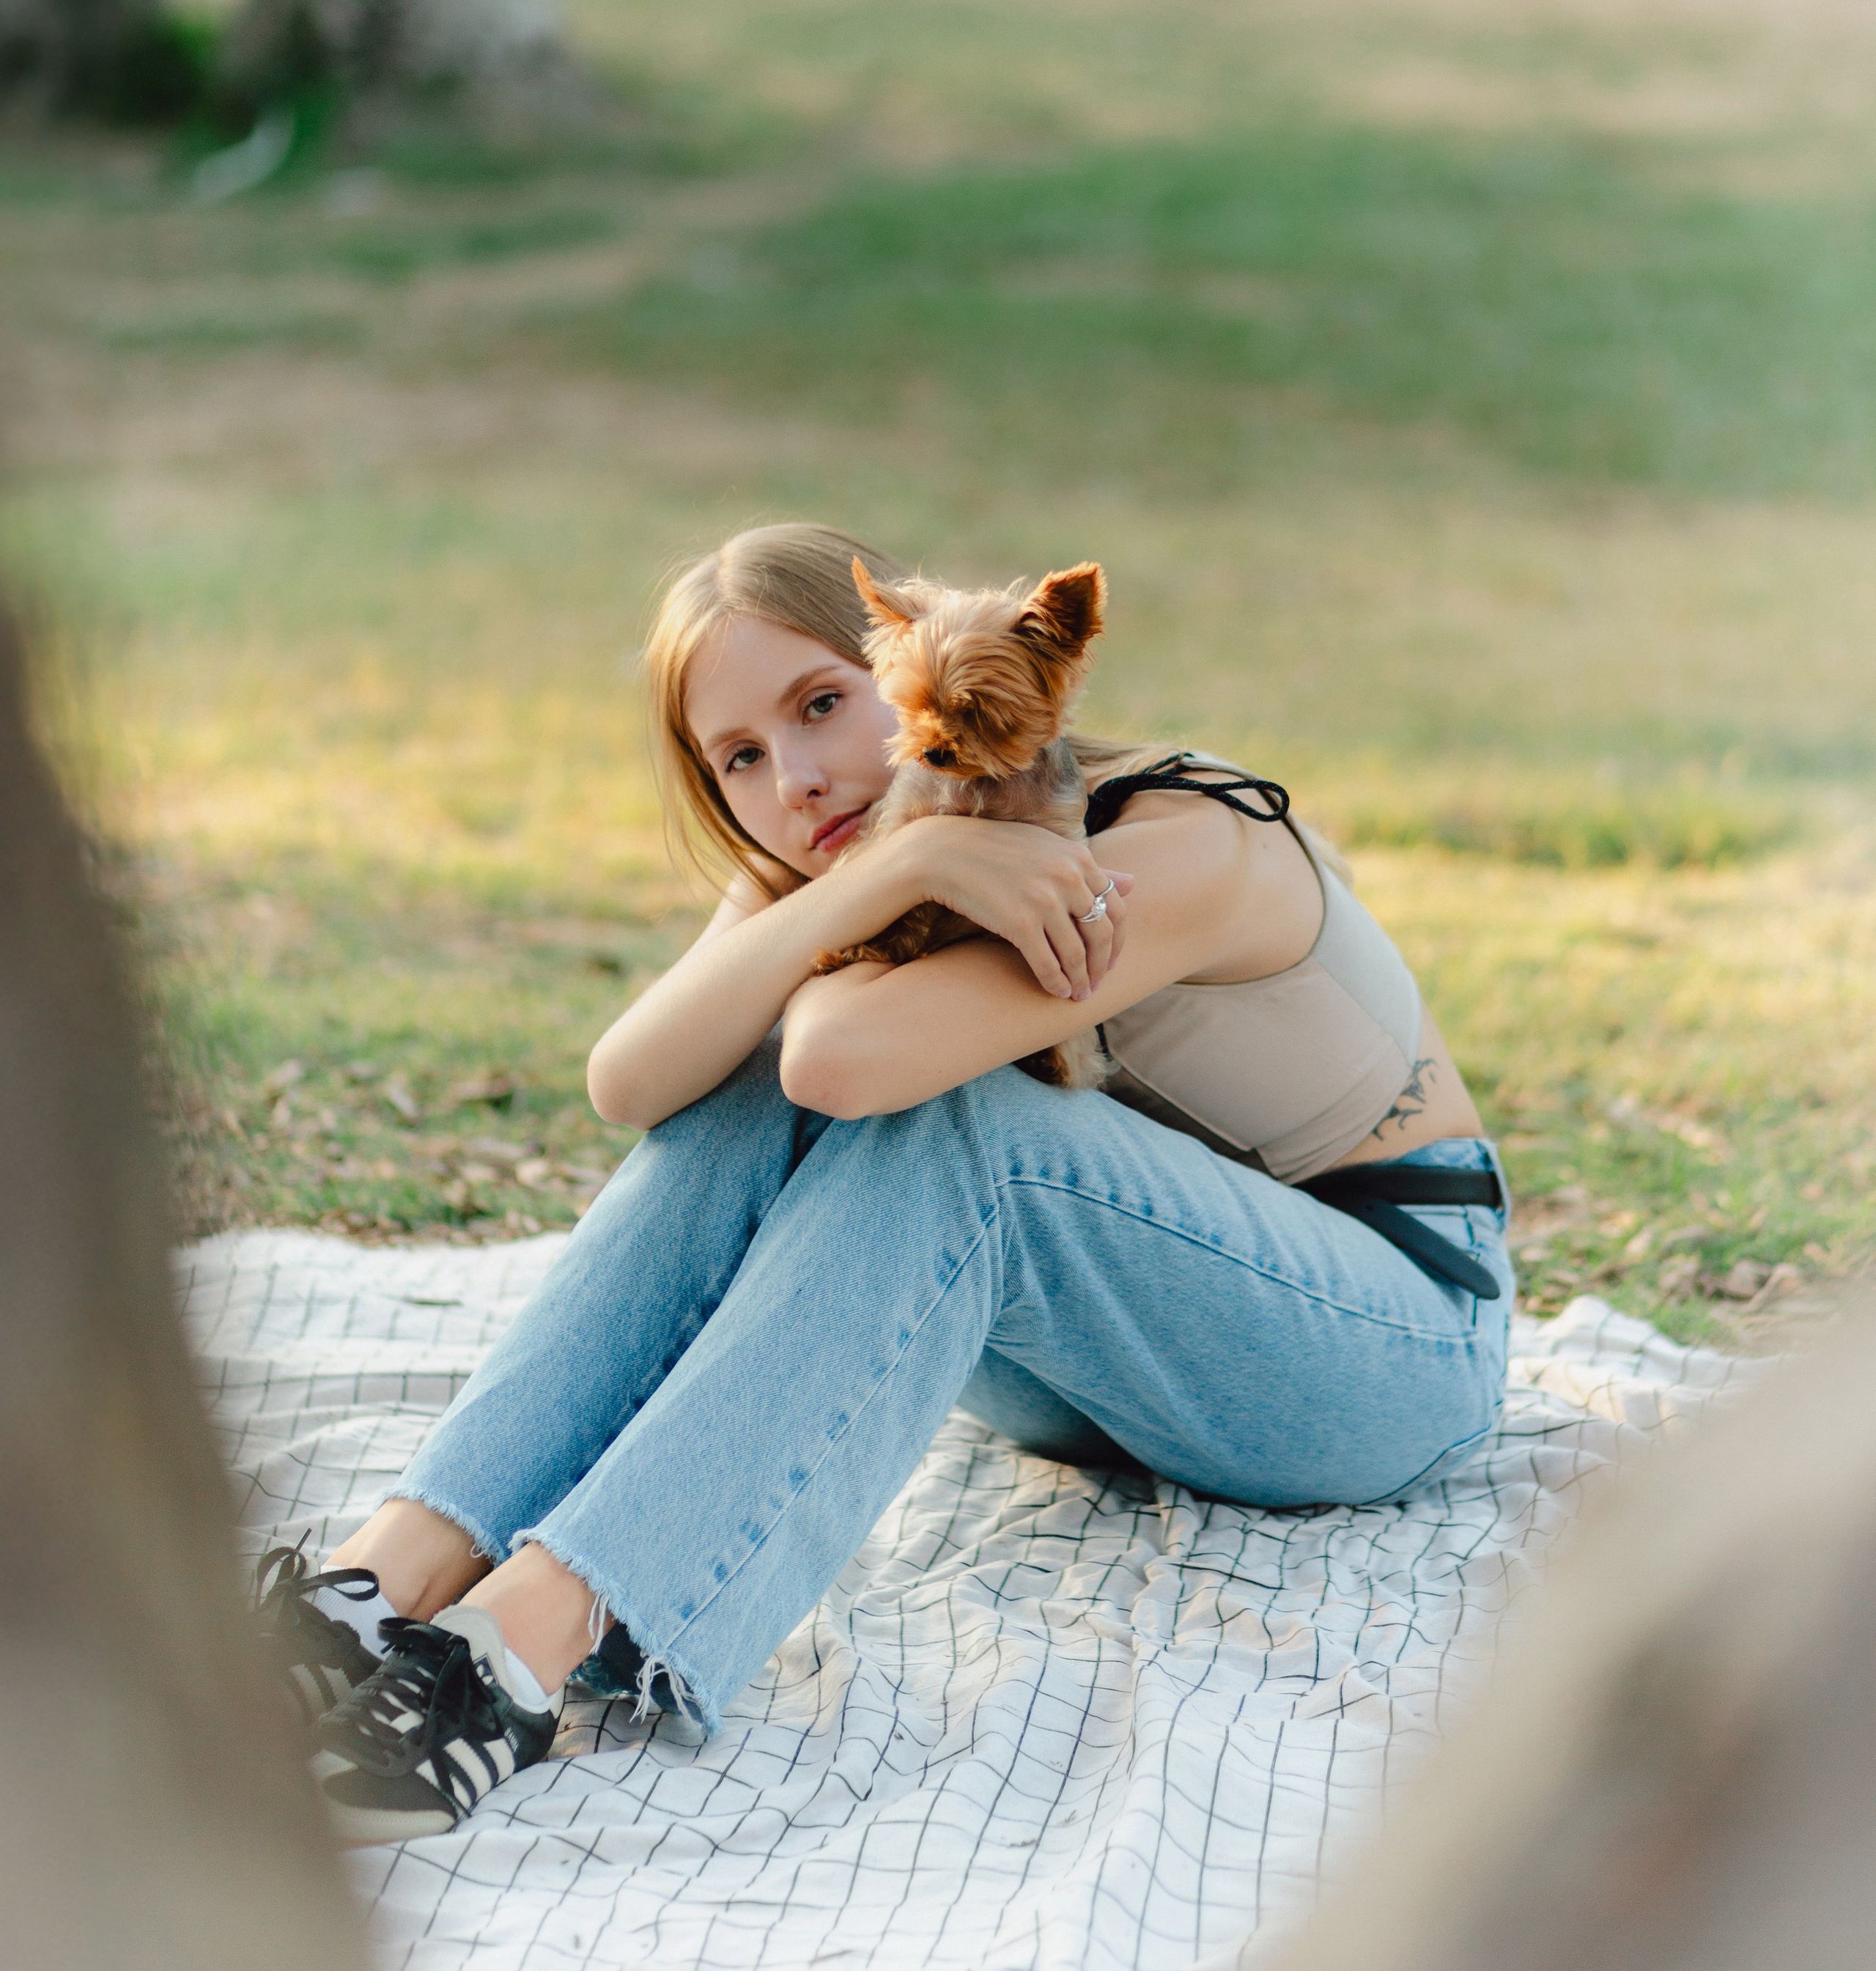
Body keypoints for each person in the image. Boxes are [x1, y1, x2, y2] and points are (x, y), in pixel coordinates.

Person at [265, 523, 1513, 1844]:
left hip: (1384, 1347)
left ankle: (521, 1651)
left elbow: (841, 1062)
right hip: (1110, 1367)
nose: (796, 779)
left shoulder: (1177, 841)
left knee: (946, 1113)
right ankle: (382, 1582)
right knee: (737, 1075)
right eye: (740, 757)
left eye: (821, 705)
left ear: (906, 665)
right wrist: (891, 870)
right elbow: (628, 1081)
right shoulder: (862, 849)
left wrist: (879, 882)